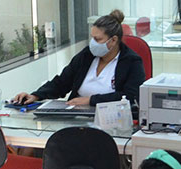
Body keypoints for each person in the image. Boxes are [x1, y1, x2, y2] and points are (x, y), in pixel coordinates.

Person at [12, 9, 145, 107]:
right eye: (92, 38)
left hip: (112, 119)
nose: (93, 43)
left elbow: (130, 96)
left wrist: (91, 100)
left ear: (113, 40)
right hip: (76, 115)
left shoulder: (132, 62)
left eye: (98, 39)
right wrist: (36, 95)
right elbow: (62, 82)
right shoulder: (87, 55)